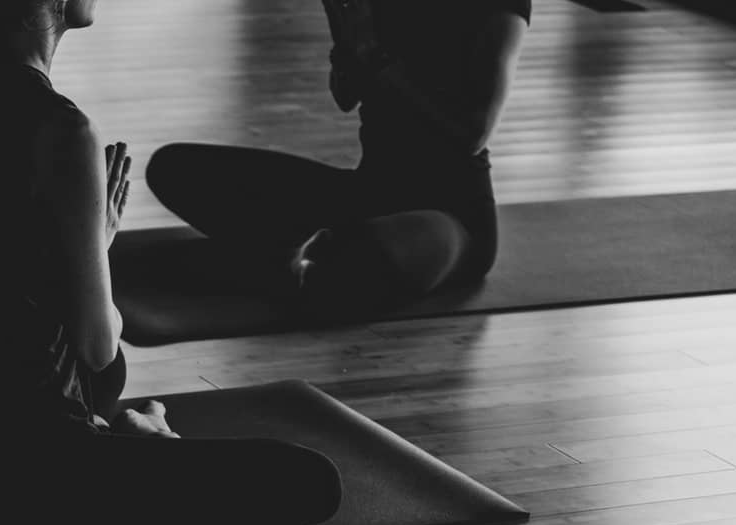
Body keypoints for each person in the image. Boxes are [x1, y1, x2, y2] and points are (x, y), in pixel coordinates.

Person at [0, 0, 342, 525]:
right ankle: (141, 439)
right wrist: (98, 244)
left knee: (104, 381)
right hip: (31, 469)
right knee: (310, 481)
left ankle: (116, 439)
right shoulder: (63, 126)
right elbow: (97, 344)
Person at [146, 0, 531, 314]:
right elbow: (346, 96)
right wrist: (345, 36)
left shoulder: (499, 7)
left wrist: (376, 58)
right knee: (172, 167)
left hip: (449, 217)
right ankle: (297, 260)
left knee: (365, 255)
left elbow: (474, 133)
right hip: (369, 193)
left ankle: (293, 258)